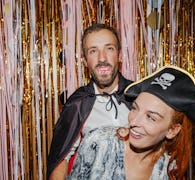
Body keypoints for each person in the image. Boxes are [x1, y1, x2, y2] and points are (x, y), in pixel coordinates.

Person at [67, 65, 195, 180]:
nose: (134, 122)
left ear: (172, 130)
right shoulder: (99, 143)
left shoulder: (167, 167)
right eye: (135, 109)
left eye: (151, 117)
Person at [47, 23, 133, 179]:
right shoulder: (77, 104)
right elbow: (61, 159)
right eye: (93, 51)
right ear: (84, 61)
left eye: (109, 48)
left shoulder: (138, 96)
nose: (102, 58)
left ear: (120, 55)